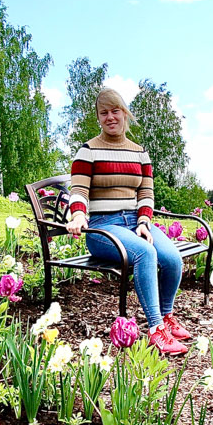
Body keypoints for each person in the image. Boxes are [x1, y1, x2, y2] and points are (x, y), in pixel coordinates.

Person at [65, 88, 192, 354]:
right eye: (104, 113)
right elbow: (79, 191)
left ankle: (167, 317)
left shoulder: (139, 153)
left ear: (125, 114)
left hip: (135, 223)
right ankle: (157, 330)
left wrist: (144, 222)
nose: (110, 117)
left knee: (171, 258)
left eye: (115, 111)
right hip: (102, 228)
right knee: (145, 253)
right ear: (98, 118)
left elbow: (146, 193)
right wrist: (78, 214)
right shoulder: (88, 151)